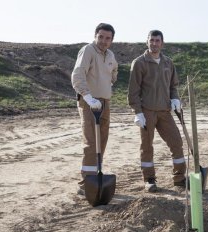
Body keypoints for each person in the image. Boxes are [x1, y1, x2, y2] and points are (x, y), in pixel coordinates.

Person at [128, 30, 186, 192]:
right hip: (147, 112)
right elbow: (133, 91)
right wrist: (137, 112)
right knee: (147, 146)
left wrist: (175, 99)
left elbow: (173, 86)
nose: (154, 43)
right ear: (147, 42)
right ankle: (149, 179)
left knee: (177, 143)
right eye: (151, 40)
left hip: (165, 112)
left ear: (162, 43)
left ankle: (180, 178)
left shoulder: (168, 63)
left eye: (157, 40)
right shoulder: (139, 63)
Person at [71, 23, 118, 195]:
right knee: (91, 143)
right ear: (95, 36)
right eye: (101, 37)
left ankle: (96, 176)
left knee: (102, 141)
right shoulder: (88, 51)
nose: (103, 41)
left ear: (112, 40)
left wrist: (107, 83)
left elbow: (114, 72)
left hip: (105, 102)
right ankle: (86, 184)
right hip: (89, 102)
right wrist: (88, 96)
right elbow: (77, 75)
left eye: (107, 38)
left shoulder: (111, 54)